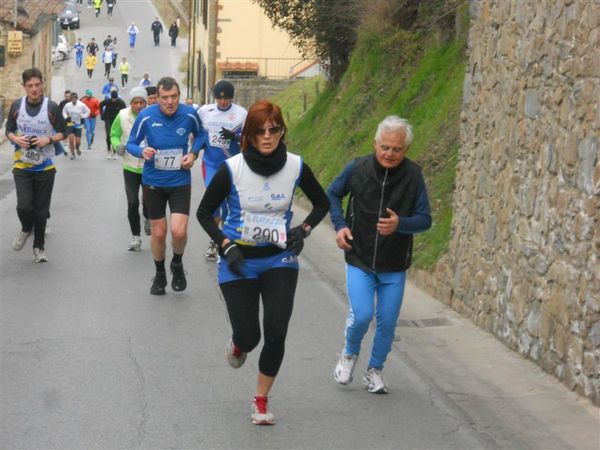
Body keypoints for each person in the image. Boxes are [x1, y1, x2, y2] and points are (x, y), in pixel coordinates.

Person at [196, 100, 329, 425]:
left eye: (274, 129)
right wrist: (225, 245)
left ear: (282, 132)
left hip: (279, 259)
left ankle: (261, 400)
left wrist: (305, 229)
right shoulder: (233, 168)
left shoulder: (296, 166)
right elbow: (203, 213)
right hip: (238, 260)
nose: (267, 136)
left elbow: (322, 202)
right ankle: (239, 345)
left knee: (275, 333)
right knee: (250, 336)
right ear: (250, 135)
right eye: (260, 131)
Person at [328, 116, 432, 394]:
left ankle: (374, 370)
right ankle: (349, 354)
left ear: (406, 149)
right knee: (361, 315)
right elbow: (332, 195)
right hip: (359, 256)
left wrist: (401, 225)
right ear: (375, 144)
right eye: (384, 147)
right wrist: (340, 226)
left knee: (387, 322)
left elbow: (425, 219)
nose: (389, 154)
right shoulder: (358, 168)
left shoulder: (413, 175)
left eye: (396, 149)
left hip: (394, 263)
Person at [126, 77, 204, 295]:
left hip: (180, 181)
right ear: (157, 98)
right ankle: (160, 274)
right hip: (153, 183)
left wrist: (193, 153)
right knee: (159, 234)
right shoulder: (146, 116)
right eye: (165, 98)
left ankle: (177, 263)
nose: (170, 102)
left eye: (174, 97)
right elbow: (131, 143)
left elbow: (201, 135)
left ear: (179, 96)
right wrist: (142, 151)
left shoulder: (189, 114)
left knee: (178, 232)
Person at [5, 68, 66, 262]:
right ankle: (25, 228)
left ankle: (39, 248)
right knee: (24, 206)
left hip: (45, 167)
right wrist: (16, 139)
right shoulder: (16, 106)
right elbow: (8, 130)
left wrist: (48, 139)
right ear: (24, 87)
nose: (34, 89)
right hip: (22, 166)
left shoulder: (52, 107)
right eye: (30, 86)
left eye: (37, 85)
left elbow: (63, 132)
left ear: (42, 85)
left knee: (41, 211)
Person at [198, 80, 247, 260]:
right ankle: (214, 241)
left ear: (231, 97)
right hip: (210, 164)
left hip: (232, 166)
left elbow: (249, 139)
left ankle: (227, 239)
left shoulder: (241, 114)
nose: (222, 101)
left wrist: (235, 136)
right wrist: (197, 145)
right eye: (219, 98)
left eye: (226, 98)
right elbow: (196, 130)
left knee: (229, 206)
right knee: (215, 202)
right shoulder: (205, 111)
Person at [111, 86, 150, 250]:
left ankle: (148, 217)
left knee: (148, 202)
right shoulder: (122, 115)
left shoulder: (152, 116)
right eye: (135, 102)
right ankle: (136, 236)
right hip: (130, 166)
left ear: (146, 103)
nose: (139, 105)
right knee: (132, 203)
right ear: (131, 103)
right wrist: (117, 145)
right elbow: (114, 134)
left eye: (142, 102)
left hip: (149, 167)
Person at [62, 92, 90, 160]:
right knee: (71, 139)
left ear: (77, 98)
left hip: (78, 123)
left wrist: (83, 116)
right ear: (71, 99)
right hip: (70, 123)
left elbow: (88, 111)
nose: (74, 99)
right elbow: (64, 112)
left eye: (75, 98)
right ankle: (72, 154)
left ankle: (77, 148)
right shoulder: (67, 105)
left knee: (78, 141)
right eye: (72, 98)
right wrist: (66, 117)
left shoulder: (81, 105)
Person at [100, 89, 126, 159]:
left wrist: (123, 119)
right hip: (108, 119)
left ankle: (115, 152)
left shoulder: (121, 102)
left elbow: (125, 111)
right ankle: (109, 151)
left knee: (116, 136)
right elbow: (101, 104)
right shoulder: (108, 101)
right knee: (108, 135)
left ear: (117, 98)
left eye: (115, 99)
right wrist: (102, 115)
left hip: (117, 120)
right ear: (111, 97)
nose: (113, 100)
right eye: (112, 98)